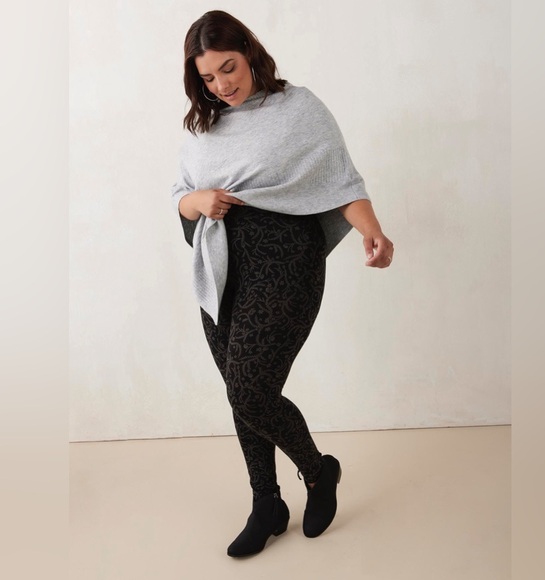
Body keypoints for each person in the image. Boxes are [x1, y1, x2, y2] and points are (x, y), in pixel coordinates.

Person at [170, 10, 394, 557]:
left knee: (249, 387)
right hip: (219, 264)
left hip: (286, 258)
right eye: (208, 77)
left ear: (250, 52)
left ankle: (317, 472)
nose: (222, 85)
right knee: (241, 393)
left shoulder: (299, 108)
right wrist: (197, 199)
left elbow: (340, 180)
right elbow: (180, 197)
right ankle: (266, 503)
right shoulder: (203, 125)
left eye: (229, 68)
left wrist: (373, 231)